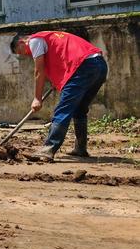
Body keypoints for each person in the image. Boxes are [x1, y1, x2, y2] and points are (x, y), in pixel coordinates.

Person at [10, 30, 107, 161]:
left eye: (21, 51)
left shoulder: (34, 40)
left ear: (22, 41)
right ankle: (80, 148)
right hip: (99, 65)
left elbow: (39, 71)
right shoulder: (50, 37)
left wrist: (37, 98)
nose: (26, 55)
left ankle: (48, 149)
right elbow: (63, 55)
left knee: (63, 109)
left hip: (83, 66)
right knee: (79, 109)